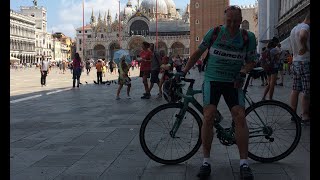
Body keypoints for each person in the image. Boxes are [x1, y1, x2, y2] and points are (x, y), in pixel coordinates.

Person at [181, 5, 256, 179]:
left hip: (233, 80)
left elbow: (251, 61)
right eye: (229, 21)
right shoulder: (214, 33)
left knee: (239, 115)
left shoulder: (248, 37)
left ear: (241, 20)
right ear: (224, 20)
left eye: (236, 22)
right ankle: (206, 161)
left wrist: (243, 72)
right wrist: (183, 71)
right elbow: (196, 54)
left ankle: (244, 163)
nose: (232, 25)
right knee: (208, 116)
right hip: (213, 79)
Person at [289, 12, 310, 125]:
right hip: (305, 62)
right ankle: (305, 115)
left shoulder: (294, 29)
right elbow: (303, 35)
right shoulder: (305, 27)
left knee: (295, 89)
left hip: (296, 61)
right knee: (307, 90)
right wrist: (305, 47)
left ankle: (292, 114)